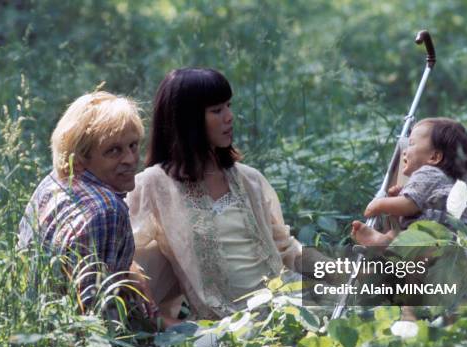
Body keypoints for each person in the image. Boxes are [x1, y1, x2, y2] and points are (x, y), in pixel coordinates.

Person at [126, 68, 302, 321]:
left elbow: (285, 247)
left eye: (228, 106)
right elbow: (121, 253)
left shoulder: (248, 179)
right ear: (188, 120)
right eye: (217, 110)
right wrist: (164, 321)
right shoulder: (154, 185)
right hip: (222, 325)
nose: (230, 117)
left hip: (283, 306)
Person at [18, 91, 157, 317]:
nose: (131, 159)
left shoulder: (56, 179)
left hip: (31, 321)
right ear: (81, 157)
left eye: (133, 145)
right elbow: (95, 313)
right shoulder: (108, 210)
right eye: (113, 151)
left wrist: (129, 269)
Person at [352, 117, 467, 246]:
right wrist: (398, 199)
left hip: (433, 236)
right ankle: (388, 244)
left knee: (400, 238)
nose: (405, 151)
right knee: (395, 235)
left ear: (434, 157)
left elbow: (408, 205)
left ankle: (383, 243)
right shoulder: (444, 181)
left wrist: (379, 204)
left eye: (411, 144)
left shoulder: (428, 173)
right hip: (449, 241)